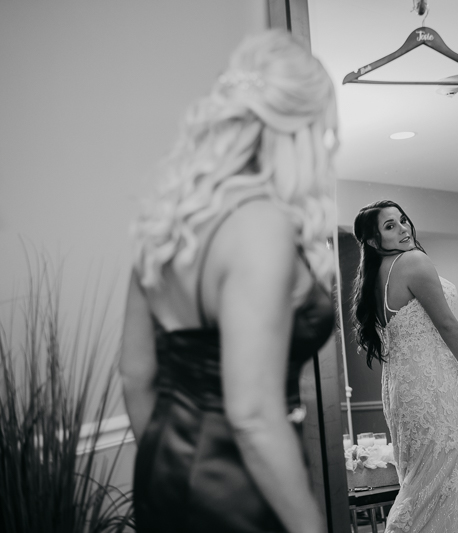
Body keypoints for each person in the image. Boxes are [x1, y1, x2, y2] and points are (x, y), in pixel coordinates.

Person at [119, 30, 337, 533]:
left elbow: (135, 375)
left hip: (164, 471)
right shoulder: (260, 225)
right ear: (301, 127)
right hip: (238, 486)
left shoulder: (171, 217)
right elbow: (254, 417)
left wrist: (175, 465)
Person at [351, 200, 458, 533]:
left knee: (422, 480)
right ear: (373, 240)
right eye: (390, 226)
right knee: (432, 484)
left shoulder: (375, 277)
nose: (404, 228)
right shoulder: (413, 262)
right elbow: (447, 324)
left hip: (402, 389)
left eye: (403, 220)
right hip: (430, 386)